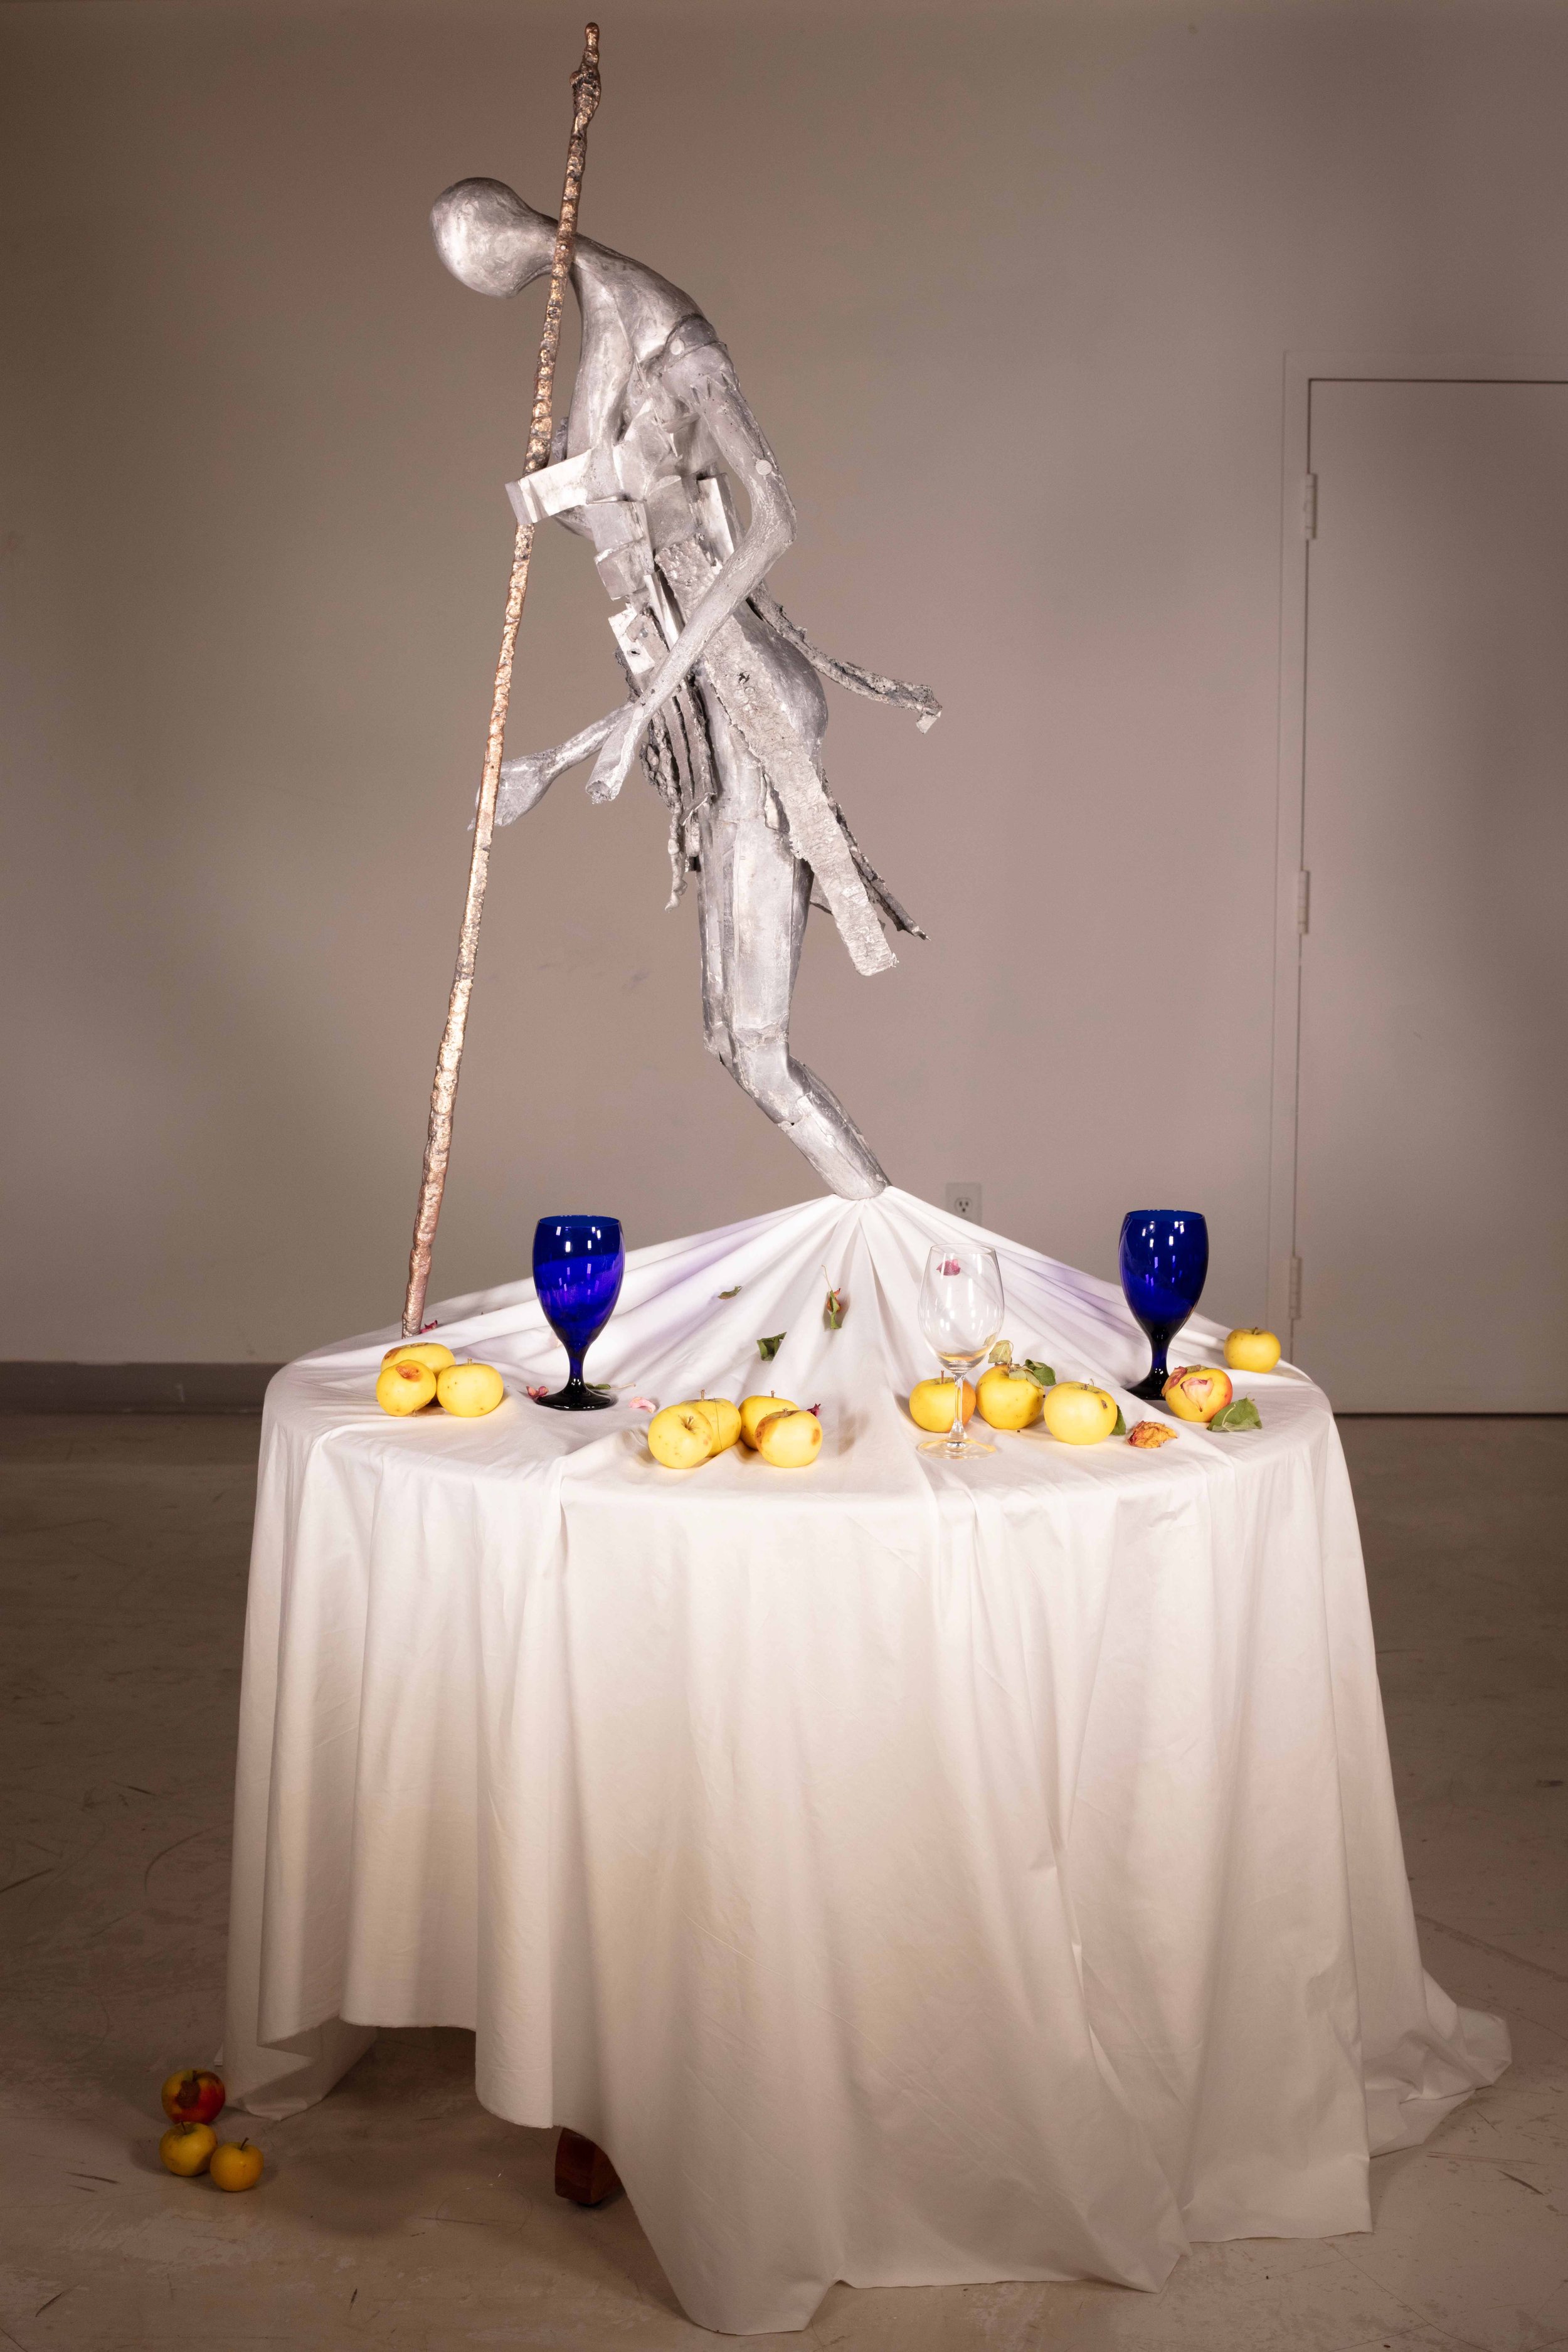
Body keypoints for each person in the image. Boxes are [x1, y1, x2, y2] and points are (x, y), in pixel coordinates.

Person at [432, 177, 940, 1200]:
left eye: (488, 256)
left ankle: (897, 1247)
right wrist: (558, 759)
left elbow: (773, 526)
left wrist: (624, 732)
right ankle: (877, 1229)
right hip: (703, 702)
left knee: (756, 1051)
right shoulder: (603, 329)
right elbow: (640, 554)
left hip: (751, 705)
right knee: (727, 1039)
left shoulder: (681, 349)